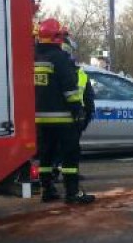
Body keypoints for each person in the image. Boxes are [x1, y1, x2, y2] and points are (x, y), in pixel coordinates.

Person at [34, 18, 95, 204]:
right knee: (70, 155)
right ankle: (72, 193)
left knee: (46, 155)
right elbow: (69, 88)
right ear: (57, 37)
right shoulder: (60, 58)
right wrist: (77, 110)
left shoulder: (32, 57)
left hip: (39, 119)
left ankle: (47, 190)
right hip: (62, 118)